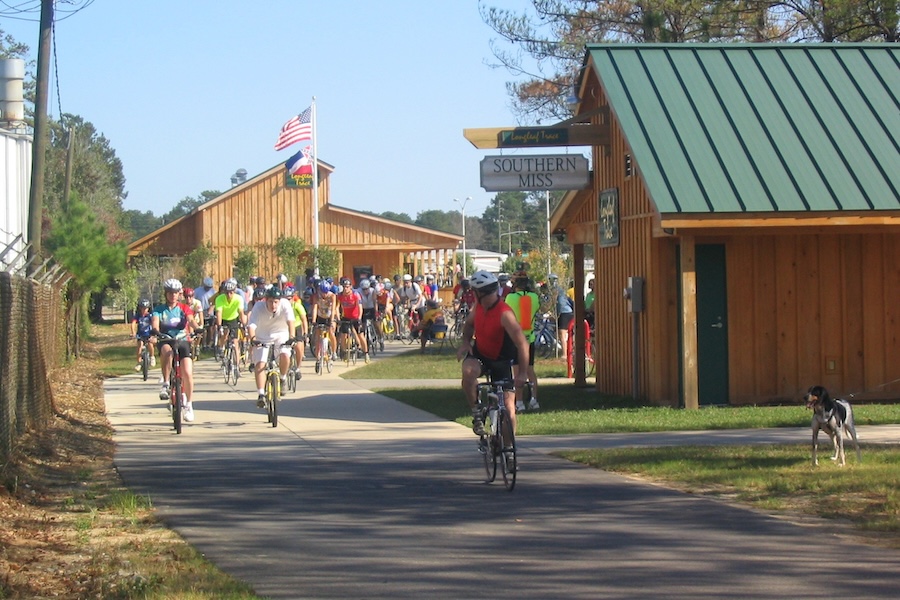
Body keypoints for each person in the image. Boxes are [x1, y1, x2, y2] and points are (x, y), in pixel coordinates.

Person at [455, 271, 530, 437]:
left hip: (502, 362)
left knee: (509, 410)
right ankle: (476, 412)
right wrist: (466, 343)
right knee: (468, 372)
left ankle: (508, 453)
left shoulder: (505, 314)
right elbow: (468, 325)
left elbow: (522, 343)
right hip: (481, 356)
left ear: (478, 293)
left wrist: (523, 373)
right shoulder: (479, 307)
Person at [152, 279, 198, 422]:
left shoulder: (184, 308)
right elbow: (155, 323)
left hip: (182, 340)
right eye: (170, 293)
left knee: (188, 373)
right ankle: (166, 383)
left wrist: (197, 328)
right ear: (166, 294)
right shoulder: (159, 309)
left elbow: (191, 320)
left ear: (179, 294)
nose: (173, 296)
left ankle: (189, 405)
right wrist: (156, 332)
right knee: (167, 352)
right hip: (166, 339)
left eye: (175, 293)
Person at [248, 286, 296, 408]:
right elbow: (252, 325)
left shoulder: (285, 304)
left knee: (285, 355)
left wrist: (292, 337)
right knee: (260, 364)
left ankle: (283, 377)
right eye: (270, 301)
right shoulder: (258, 307)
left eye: (276, 302)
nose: (273, 305)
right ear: (266, 300)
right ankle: (261, 395)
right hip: (262, 337)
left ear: (279, 301)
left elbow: (291, 321)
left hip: (281, 335)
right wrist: (253, 339)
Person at [504, 271, 541, 412]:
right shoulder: (534, 297)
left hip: (515, 338)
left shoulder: (510, 298)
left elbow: (507, 312)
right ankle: (534, 400)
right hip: (529, 338)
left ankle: (519, 402)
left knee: (518, 371)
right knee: (530, 370)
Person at [336, 277, 369, 364]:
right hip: (346, 317)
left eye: (347, 286)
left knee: (360, 335)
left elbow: (360, 307)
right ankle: (343, 352)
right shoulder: (340, 295)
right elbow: (336, 307)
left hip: (355, 317)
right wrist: (338, 318)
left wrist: (359, 318)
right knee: (343, 335)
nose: (345, 289)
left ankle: (366, 353)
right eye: (344, 287)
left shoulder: (355, 294)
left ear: (351, 286)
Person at [215, 278, 246, 363]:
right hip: (223, 319)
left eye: (231, 292)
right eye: (227, 292)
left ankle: (237, 366)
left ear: (234, 291)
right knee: (224, 334)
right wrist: (219, 326)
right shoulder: (219, 299)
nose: (229, 295)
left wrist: (244, 325)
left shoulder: (239, 299)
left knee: (235, 343)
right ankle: (221, 347)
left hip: (233, 319)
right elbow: (219, 313)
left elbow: (241, 313)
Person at [311, 279, 337, 363]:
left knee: (331, 333)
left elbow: (333, 309)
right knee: (318, 336)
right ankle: (318, 357)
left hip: (329, 316)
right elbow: (315, 308)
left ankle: (333, 352)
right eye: (323, 292)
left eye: (326, 292)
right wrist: (314, 321)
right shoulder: (316, 296)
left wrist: (332, 320)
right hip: (320, 316)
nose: (324, 294)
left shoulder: (332, 296)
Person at [549, 273, 573, 361]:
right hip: (566, 312)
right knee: (561, 334)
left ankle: (565, 355)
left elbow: (554, 301)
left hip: (564, 312)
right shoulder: (560, 289)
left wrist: (549, 309)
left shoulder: (555, 289)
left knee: (562, 334)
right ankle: (567, 351)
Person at [285, 285, 308, 377]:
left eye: (289, 299)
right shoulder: (281, 307)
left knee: (298, 348)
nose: (288, 301)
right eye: (286, 299)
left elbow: (304, 320)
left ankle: (298, 367)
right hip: (285, 328)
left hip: (297, 327)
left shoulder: (297, 306)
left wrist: (305, 332)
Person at [131, 298, 156, 370]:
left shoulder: (150, 316)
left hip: (149, 334)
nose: (144, 310)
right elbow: (133, 323)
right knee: (139, 346)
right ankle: (139, 363)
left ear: (148, 309)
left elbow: (154, 323)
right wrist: (133, 332)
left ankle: (152, 357)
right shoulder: (138, 316)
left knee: (150, 344)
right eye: (142, 308)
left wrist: (154, 334)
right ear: (140, 308)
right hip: (140, 334)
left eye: (145, 308)